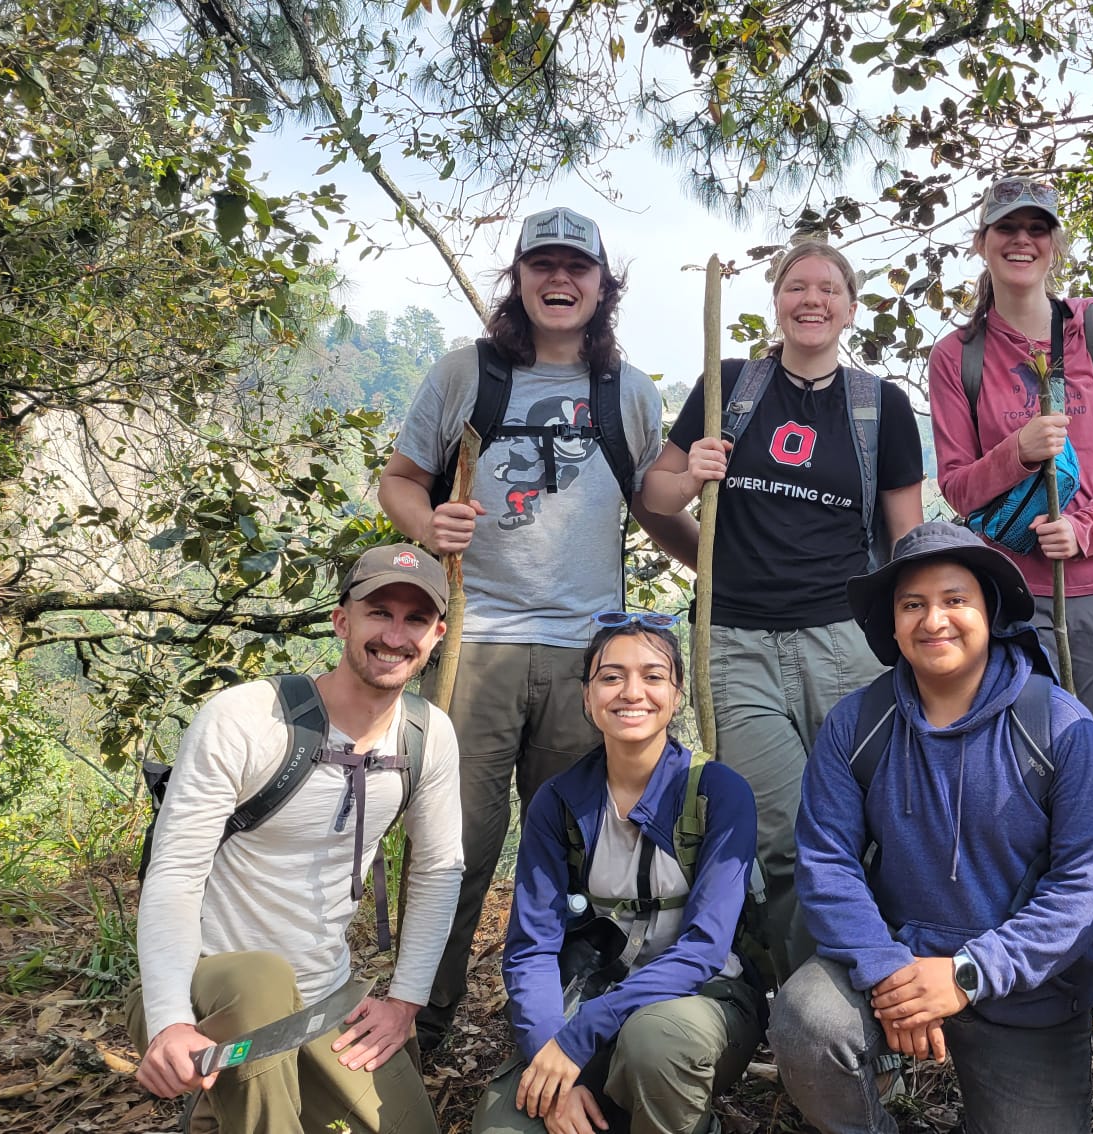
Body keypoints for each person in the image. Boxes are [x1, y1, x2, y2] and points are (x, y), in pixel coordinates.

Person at [378, 207, 700, 1050]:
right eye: (543, 266)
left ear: (602, 287)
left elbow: (651, 507)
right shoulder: (466, 375)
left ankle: (564, 1030)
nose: (561, 282)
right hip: (474, 648)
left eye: (578, 269)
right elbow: (401, 481)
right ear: (519, 279)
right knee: (455, 846)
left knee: (578, 856)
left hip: (583, 661)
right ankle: (421, 1022)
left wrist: (725, 572)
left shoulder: (625, 392)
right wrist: (427, 525)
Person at [769, 522, 1093, 1134]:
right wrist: (886, 970)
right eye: (913, 605)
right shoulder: (859, 725)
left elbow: (1084, 886)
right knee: (808, 1022)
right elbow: (827, 862)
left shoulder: (1060, 727)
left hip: (1022, 990)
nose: (934, 621)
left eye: (955, 600)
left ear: (990, 612)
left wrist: (966, 973)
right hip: (896, 974)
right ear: (893, 623)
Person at [640, 239, 925, 980]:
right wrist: (694, 476)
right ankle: (813, 1007)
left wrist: (912, 642)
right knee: (783, 837)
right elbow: (654, 499)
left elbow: (907, 541)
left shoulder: (880, 406)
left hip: (844, 642)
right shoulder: (729, 387)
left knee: (867, 822)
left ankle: (883, 989)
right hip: (735, 642)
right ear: (777, 300)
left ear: (850, 308)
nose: (813, 299)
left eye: (829, 289)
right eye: (797, 286)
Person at [130, 544, 464, 1134]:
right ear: (342, 621)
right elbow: (176, 872)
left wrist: (405, 1002)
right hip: (210, 990)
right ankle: (236, 1097)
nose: (395, 634)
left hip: (323, 996)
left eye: (415, 619)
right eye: (378, 611)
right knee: (260, 980)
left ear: (437, 634)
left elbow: (438, 870)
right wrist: (168, 1021)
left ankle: (233, 1104)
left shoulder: (426, 735)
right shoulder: (248, 718)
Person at [926, 175, 1093, 866]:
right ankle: (1049, 956)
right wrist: (1017, 452)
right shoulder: (958, 358)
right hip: (1015, 603)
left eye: (1037, 229)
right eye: (1007, 228)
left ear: (1055, 244)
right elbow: (960, 487)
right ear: (982, 244)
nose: (1022, 240)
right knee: (1025, 786)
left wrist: (1085, 528)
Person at [475, 611, 764, 1134]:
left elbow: (704, 949)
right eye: (611, 676)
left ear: (677, 696)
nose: (632, 691)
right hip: (593, 992)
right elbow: (531, 948)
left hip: (699, 1003)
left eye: (653, 676)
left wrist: (579, 1036)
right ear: (587, 697)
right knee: (506, 1127)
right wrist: (551, 1054)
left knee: (655, 1043)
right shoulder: (559, 802)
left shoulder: (717, 793)